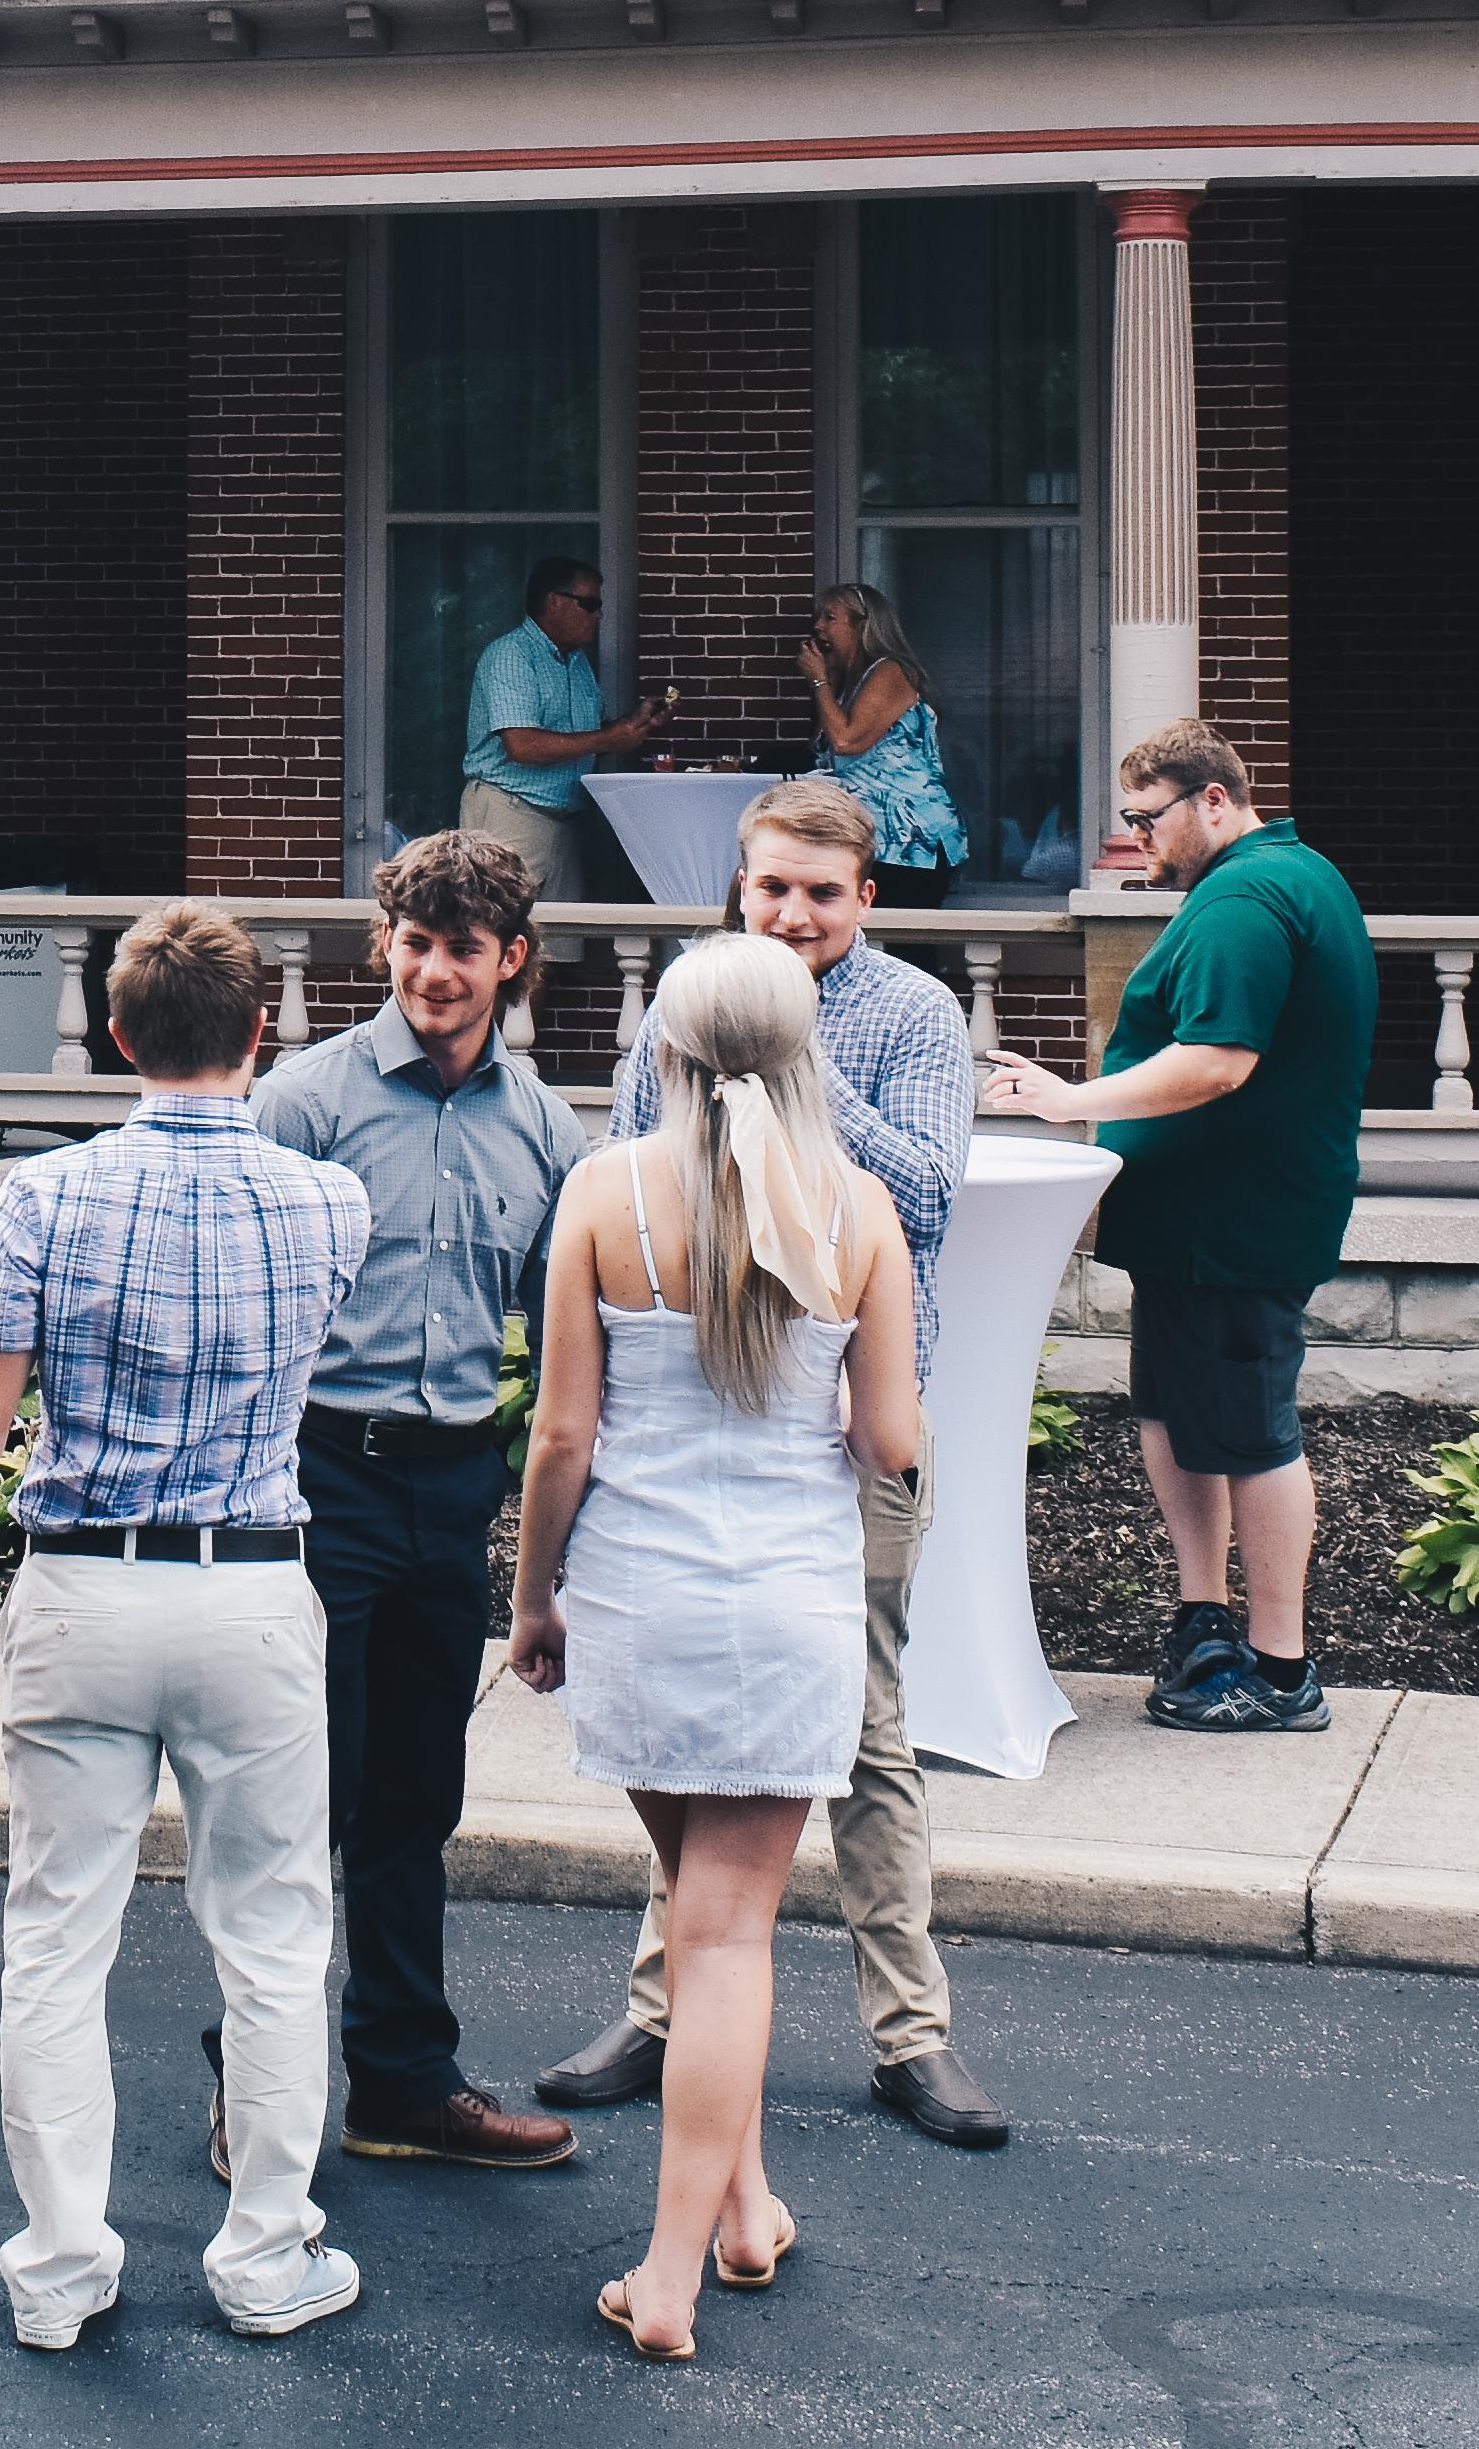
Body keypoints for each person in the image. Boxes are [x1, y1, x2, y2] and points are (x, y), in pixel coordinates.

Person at [0, 902, 371, 2353]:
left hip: (85, 1582)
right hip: (250, 1585)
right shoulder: (329, 1203)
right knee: (273, 1939)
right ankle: (265, 2253)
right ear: (261, 1032)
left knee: (56, 1936)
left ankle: (61, 2266)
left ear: (116, 1033)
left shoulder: (46, 1196)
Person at [539, 773, 1005, 2148]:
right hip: (684, 1427)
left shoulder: (913, 1014)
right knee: (690, 1741)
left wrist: (789, 1068)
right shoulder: (681, 1002)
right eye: (771, 888)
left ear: (868, 896)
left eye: (820, 892)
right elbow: (631, 1172)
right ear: (738, 885)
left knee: (866, 1729)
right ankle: (665, 2009)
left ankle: (911, 2034)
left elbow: (929, 1197)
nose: (793, 913)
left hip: (843, 1426)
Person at [506, 934, 923, 2366]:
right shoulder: (858, 1208)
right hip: (788, 1607)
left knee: (699, 1916)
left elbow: (562, 1437)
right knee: (729, 1930)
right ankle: (678, 2272)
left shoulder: (604, 1193)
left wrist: (533, 1599)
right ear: (809, 1057)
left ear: (663, 1054)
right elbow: (890, 1442)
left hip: (637, 1599)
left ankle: (740, 2215)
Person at [245, 828, 582, 2172]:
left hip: (451, 1487)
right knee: (297, 1798)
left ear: (512, 959)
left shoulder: (548, 1131)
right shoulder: (305, 1105)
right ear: (385, 945)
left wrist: (557, 1556)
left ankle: (401, 2081)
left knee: (413, 1800)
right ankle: (251, 2085)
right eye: (415, 943)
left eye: (463, 949)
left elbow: (568, 1349)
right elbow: (239, 1306)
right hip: (318, 1476)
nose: (434, 972)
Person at [985, 722, 1376, 1735]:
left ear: (1212, 799)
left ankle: (1281, 1674)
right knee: (1176, 1416)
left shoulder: (1247, 898)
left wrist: (1071, 1100)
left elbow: (1217, 1061)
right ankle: (1205, 1618)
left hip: (1230, 1225)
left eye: (1146, 816)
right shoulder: (1276, 878)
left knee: (1253, 1435)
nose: (1135, 838)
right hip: (1198, 1222)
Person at [461, 555, 665, 901]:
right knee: (499, 924)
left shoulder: (576, 661)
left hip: (563, 820)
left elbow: (586, 739)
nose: (599, 615)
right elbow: (522, 745)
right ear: (554, 601)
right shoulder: (512, 655)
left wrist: (633, 724)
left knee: (561, 931)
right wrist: (610, 737)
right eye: (590, 604)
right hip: (511, 812)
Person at [802, 582, 964, 890]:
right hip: (870, 838)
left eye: (829, 617)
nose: (818, 626)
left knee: (899, 921)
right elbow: (822, 751)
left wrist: (819, 682)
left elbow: (847, 741)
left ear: (862, 626)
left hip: (909, 840)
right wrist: (830, 681)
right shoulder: (850, 686)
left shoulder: (891, 671)